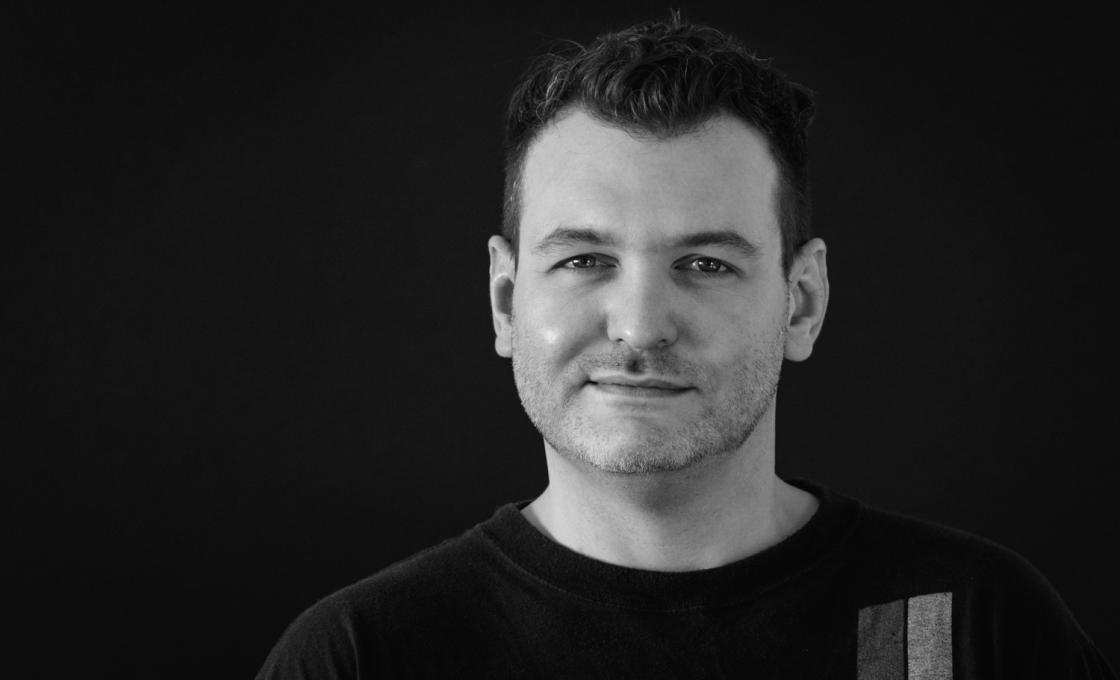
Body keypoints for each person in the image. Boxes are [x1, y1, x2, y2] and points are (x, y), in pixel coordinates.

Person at [257, 15, 1114, 679]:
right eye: (584, 260)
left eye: (705, 264)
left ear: (802, 302)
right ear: (507, 299)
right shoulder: (365, 656)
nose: (640, 325)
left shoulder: (967, 626)